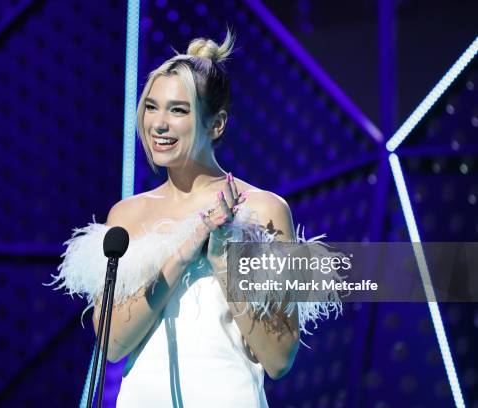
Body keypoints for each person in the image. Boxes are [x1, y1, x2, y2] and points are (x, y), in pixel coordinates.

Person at [51, 31, 340, 407]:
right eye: (151, 107)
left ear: (216, 124)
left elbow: (279, 358)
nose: (158, 124)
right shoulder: (126, 215)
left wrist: (221, 255)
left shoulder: (265, 209)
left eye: (178, 110)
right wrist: (185, 250)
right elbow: (113, 343)